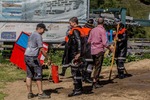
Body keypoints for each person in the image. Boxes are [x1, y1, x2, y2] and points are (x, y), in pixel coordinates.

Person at [24, 23, 50, 99]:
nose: (44, 32)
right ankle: (41, 94)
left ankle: (30, 93)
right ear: (40, 29)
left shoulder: (32, 34)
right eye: (44, 30)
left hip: (26, 56)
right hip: (33, 57)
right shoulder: (38, 36)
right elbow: (41, 49)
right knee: (38, 75)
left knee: (29, 75)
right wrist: (47, 57)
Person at [88, 17, 113, 89]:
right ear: (103, 23)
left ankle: (95, 79)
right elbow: (105, 42)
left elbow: (89, 41)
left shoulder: (92, 30)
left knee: (94, 66)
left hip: (92, 50)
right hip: (99, 50)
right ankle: (95, 81)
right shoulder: (102, 30)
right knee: (98, 67)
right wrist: (110, 48)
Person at [67, 17, 83, 97]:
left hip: (75, 54)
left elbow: (78, 41)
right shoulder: (79, 29)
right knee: (77, 71)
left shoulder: (76, 30)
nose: (70, 25)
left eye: (70, 23)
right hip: (75, 53)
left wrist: (79, 53)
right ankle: (79, 88)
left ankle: (77, 90)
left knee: (75, 71)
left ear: (74, 23)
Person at [81, 19, 95, 83]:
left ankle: (83, 77)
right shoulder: (91, 31)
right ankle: (88, 77)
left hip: (82, 49)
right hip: (89, 49)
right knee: (90, 63)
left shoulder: (82, 29)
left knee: (84, 63)